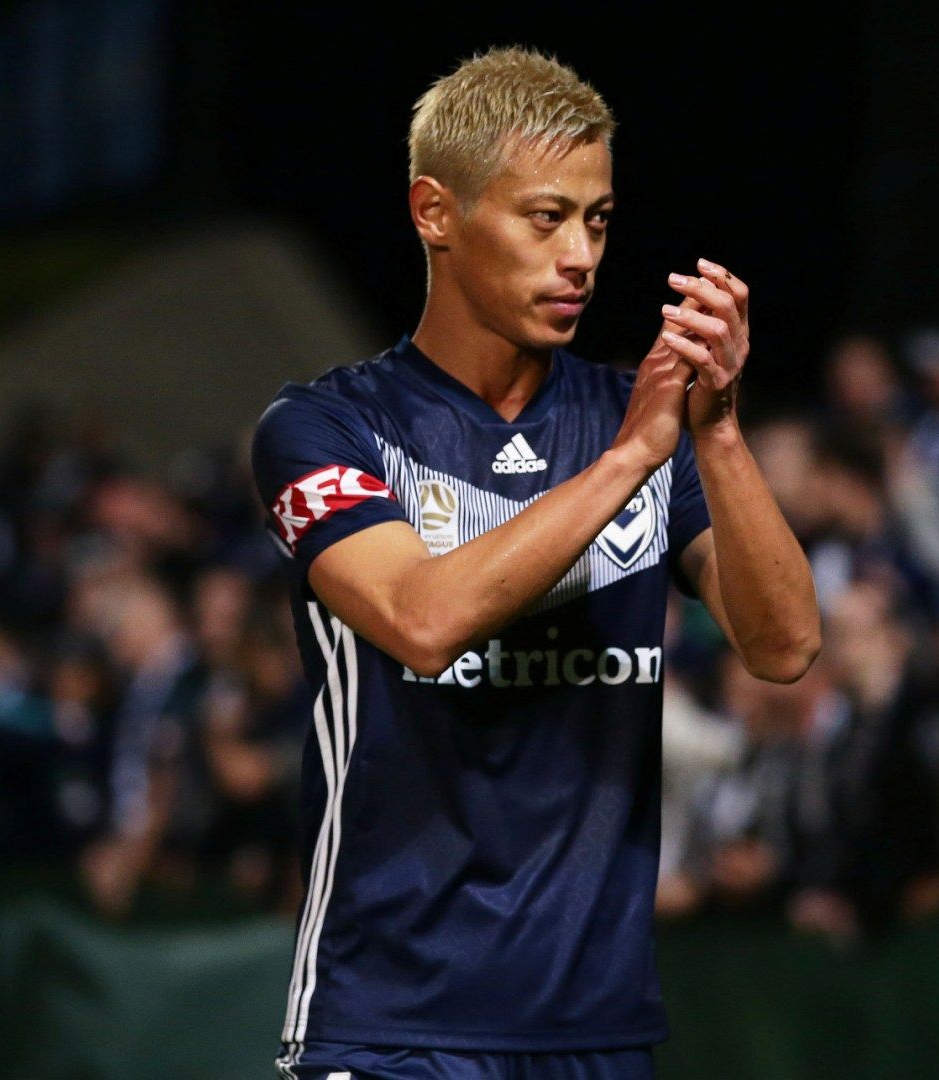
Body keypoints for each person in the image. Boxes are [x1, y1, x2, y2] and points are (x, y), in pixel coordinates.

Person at [248, 49, 818, 1080]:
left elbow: (783, 648)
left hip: (596, 1030)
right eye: (545, 218)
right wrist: (632, 460)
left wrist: (719, 433)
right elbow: (422, 622)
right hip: (391, 1025)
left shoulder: (641, 418)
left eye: (597, 220)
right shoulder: (326, 428)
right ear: (435, 212)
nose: (581, 256)